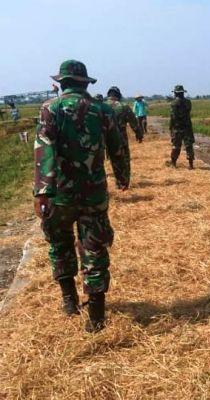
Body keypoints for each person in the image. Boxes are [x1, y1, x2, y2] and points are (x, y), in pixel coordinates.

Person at [33, 60, 130, 333]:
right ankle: (96, 316)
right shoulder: (102, 110)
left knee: (60, 244)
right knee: (94, 249)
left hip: (60, 195)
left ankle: (69, 301)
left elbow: (44, 148)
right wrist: (122, 176)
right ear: (85, 83)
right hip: (93, 194)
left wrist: (43, 191)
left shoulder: (50, 109)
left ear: (62, 83)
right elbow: (117, 148)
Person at [168, 85, 195, 169]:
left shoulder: (173, 103)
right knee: (189, 146)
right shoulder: (188, 102)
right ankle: (191, 165)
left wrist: (171, 127)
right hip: (187, 127)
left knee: (176, 146)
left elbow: (173, 116)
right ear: (183, 93)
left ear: (176, 93)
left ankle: (173, 163)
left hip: (177, 127)